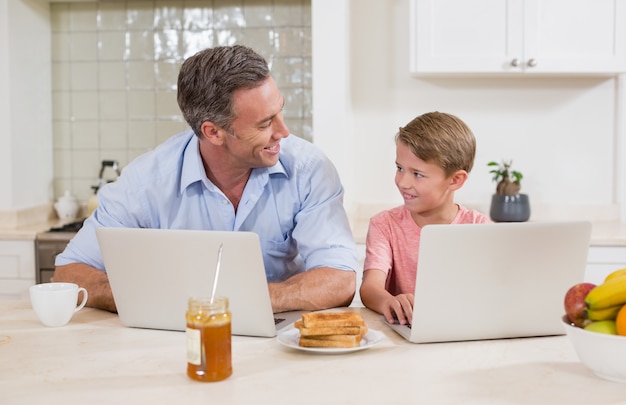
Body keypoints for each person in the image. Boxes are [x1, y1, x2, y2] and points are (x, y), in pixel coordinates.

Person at [54, 45, 358, 314]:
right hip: (179, 341)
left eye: (279, 112)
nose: (283, 132)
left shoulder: (309, 169)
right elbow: (69, 273)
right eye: (266, 123)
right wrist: (152, 300)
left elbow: (340, 280)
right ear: (213, 132)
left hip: (282, 342)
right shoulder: (146, 180)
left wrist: (236, 301)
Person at [359, 111, 490, 325]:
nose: (403, 182)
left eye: (417, 174)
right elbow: (370, 288)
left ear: (455, 180)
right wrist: (388, 302)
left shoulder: (480, 227)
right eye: (400, 168)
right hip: (404, 337)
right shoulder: (384, 225)